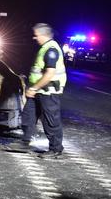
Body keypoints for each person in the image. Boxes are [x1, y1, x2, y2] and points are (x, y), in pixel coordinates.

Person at [8, 23, 67, 158]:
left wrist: (34, 87)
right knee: (28, 116)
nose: (34, 38)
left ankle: (56, 149)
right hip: (37, 92)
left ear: (43, 35)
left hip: (48, 92)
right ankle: (25, 142)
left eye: (36, 35)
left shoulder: (51, 50)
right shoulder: (44, 48)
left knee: (50, 121)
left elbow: (50, 73)